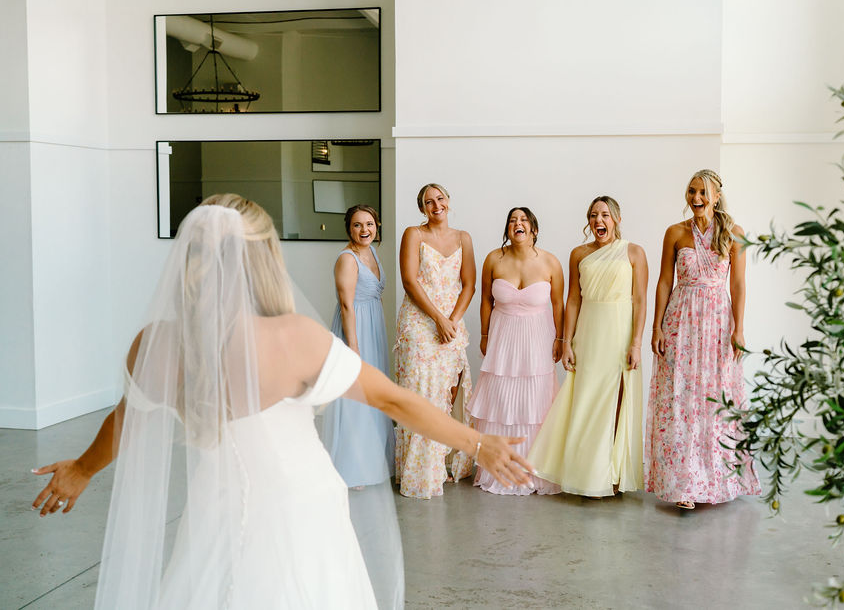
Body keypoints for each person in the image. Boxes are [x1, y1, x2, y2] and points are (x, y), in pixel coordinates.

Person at [30, 194, 532, 609]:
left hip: (216, 512)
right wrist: (478, 443)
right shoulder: (295, 338)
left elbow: (127, 419)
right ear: (265, 258)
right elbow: (395, 402)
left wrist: (82, 468)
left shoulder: (155, 343)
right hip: (303, 513)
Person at [647, 169, 761, 509]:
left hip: (716, 323)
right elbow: (665, 281)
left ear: (715, 196)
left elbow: (738, 285)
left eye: (702, 192)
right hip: (681, 320)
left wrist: (738, 329)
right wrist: (657, 326)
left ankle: (715, 480)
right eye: (691, 191)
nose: (695, 198)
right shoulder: (674, 233)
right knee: (681, 399)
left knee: (714, 398)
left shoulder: (733, 234)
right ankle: (684, 484)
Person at [528, 196, 648, 497]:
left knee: (617, 403)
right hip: (589, 333)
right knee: (584, 403)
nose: (599, 221)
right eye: (593, 215)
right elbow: (573, 299)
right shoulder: (578, 253)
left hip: (620, 332)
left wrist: (636, 342)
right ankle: (584, 473)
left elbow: (640, 300)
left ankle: (613, 474)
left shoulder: (633, 252)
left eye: (605, 215)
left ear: (617, 219)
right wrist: (566, 343)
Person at [469, 207, 564, 495]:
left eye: (523, 220)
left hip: (537, 340)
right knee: (500, 403)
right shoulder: (493, 259)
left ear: (534, 229)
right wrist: (484, 334)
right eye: (512, 220)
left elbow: (559, 304)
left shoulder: (550, 262)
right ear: (507, 229)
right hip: (503, 340)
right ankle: (499, 468)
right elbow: (485, 300)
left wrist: (560, 339)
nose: (517, 224)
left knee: (535, 404)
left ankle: (534, 469)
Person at [393, 183, 477, 498]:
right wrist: (437, 319)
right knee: (420, 392)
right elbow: (409, 280)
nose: (436, 204)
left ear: (448, 202)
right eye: (428, 201)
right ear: (422, 208)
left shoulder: (463, 238)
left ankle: (441, 466)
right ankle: (416, 473)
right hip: (418, 323)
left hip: (452, 322)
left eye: (440, 198)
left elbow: (469, 283)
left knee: (447, 392)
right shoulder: (413, 234)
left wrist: (452, 321)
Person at [322, 205, 395, 489]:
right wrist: (353, 348)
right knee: (355, 397)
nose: (364, 230)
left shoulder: (372, 252)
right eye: (357, 225)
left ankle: (371, 462)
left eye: (369, 224)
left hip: (373, 325)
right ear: (348, 228)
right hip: (355, 330)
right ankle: (350, 469)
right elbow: (346, 305)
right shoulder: (347, 259)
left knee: (373, 396)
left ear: (376, 226)